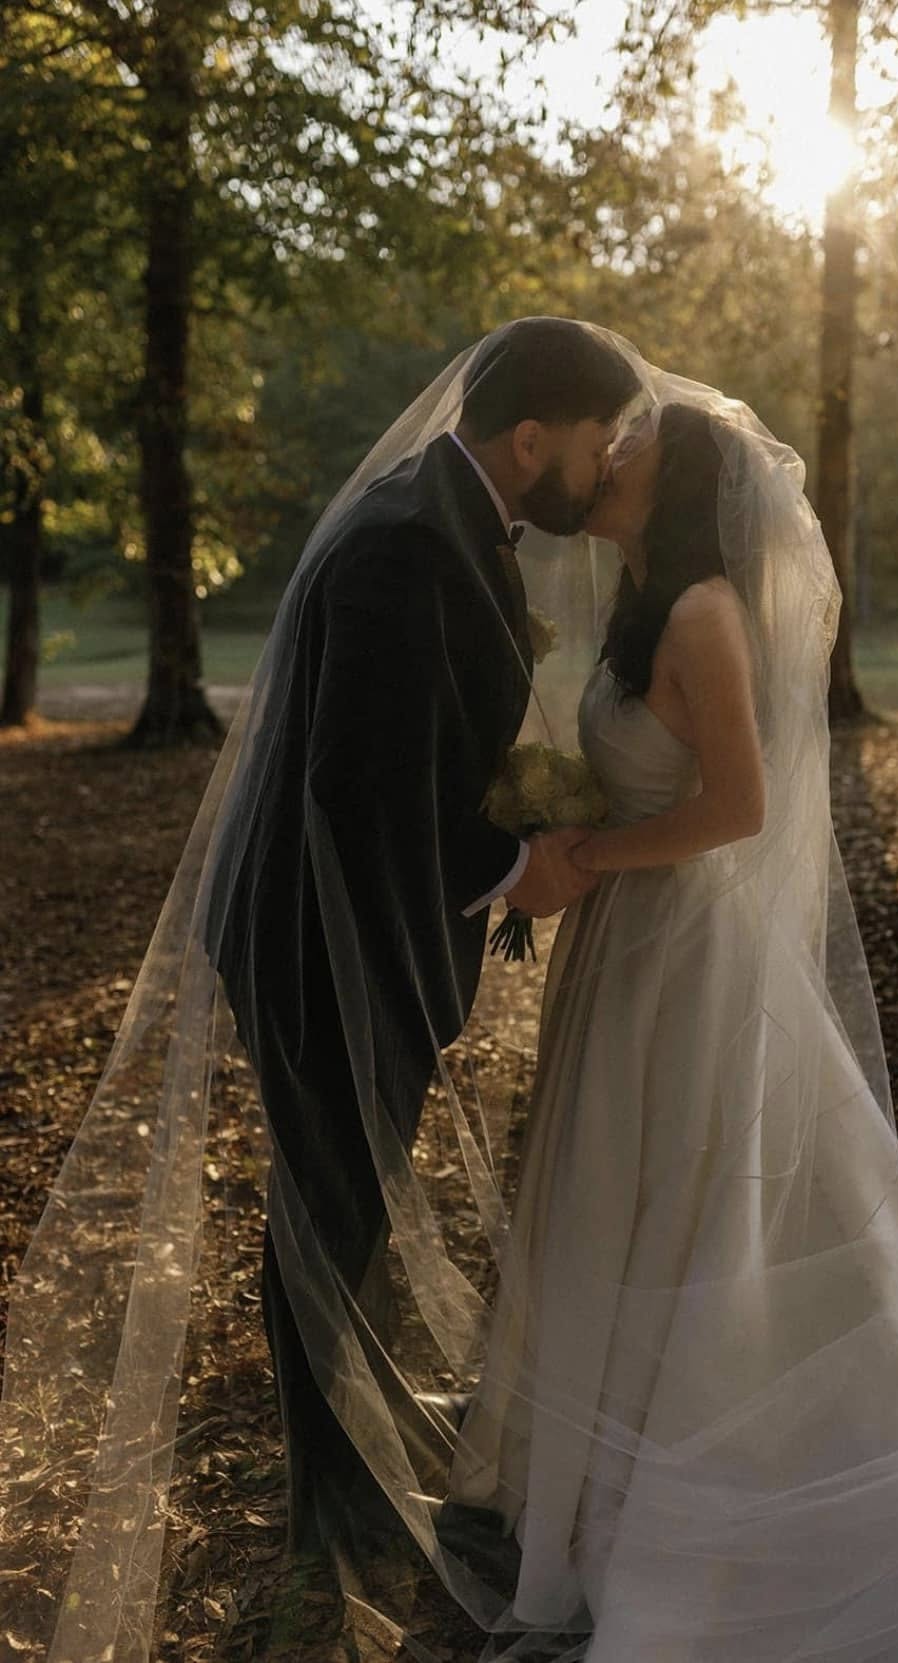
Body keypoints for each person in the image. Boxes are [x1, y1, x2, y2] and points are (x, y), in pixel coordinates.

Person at [443, 400, 898, 1660]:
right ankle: (595, 1449)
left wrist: (584, 848)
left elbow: (738, 808)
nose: (617, 450)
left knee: (693, 1188)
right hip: (625, 937)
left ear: (680, 480)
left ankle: (714, 1439)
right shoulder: (638, 603)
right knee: (619, 1179)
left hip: (683, 946)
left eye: (638, 444)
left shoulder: (701, 611)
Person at [203, 317, 640, 1569]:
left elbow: (422, 736)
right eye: (596, 445)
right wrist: (513, 863)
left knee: (350, 1191)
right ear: (529, 438)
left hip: (347, 921)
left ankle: (356, 1431)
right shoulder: (404, 541)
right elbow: (360, 782)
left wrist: (511, 807)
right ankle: (335, 1513)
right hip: (312, 936)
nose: (603, 468)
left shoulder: (446, 518)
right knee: (330, 1205)